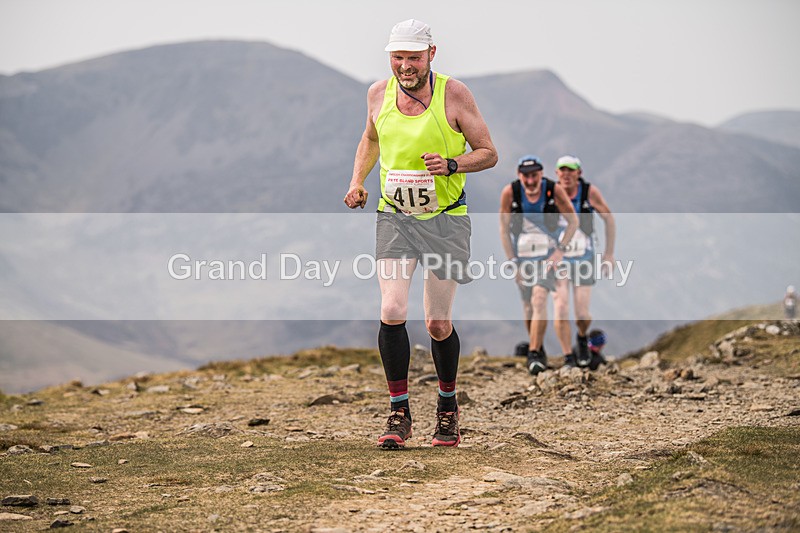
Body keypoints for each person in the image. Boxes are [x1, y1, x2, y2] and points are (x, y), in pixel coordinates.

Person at [343, 19, 498, 449]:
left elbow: (488, 153)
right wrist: (357, 181)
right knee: (392, 310)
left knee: (437, 321)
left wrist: (451, 165)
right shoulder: (378, 93)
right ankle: (399, 414)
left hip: (446, 217)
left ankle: (447, 409)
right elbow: (370, 138)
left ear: (432, 54)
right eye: (398, 57)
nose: (405, 66)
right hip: (395, 216)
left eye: (413, 57)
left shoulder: (455, 94)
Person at [499, 155, 578, 375]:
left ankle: (534, 353)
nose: (530, 181)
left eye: (534, 176)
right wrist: (513, 261)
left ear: (541, 175)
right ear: (519, 175)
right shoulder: (510, 193)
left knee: (540, 296)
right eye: (526, 176)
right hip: (523, 258)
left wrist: (560, 250)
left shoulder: (553, 190)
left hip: (548, 257)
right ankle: (539, 349)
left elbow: (573, 221)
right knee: (528, 306)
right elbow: (503, 229)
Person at [550, 155, 616, 368]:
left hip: (584, 258)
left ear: (579, 173)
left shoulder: (588, 192)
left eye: (571, 170)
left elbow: (609, 218)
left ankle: (581, 336)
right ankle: (569, 357)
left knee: (582, 313)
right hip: (557, 259)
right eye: (563, 170)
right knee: (560, 307)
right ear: (557, 173)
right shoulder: (550, 193)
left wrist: (608, 254)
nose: (567, 174)